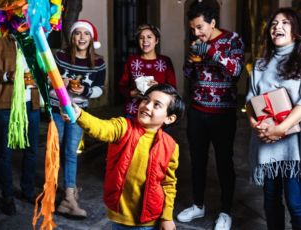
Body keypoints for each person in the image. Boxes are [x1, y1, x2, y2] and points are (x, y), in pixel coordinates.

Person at [63, 84, 184, 230]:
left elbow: (168, 184)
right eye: (146, 100)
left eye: (156, 105)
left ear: (169, 118)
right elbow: (101, 127)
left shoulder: (171, 146)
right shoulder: (123, 127)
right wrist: (80, 115)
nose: (147, 106)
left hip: (150, 219)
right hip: (120, 216)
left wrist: (167, 217)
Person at [176, 2, 244, 230]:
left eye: (199, 27)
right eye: (192, 29)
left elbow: (235, 71)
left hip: (223, 114)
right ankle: (198, 205)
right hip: (197, 111)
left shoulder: (233, 40)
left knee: (224, 162)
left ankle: (225, 212)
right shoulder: (197, 43)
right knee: (197, 161)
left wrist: (211, 51)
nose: (196, 33)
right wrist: (191, 61)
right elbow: (187, 73)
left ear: (213, 22)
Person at [246, 8, 301, 230]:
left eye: (285, 23)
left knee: (296, 203)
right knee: (270, 201)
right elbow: (250, 102)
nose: (277, 27)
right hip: (266, 145)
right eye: (274, 24)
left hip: (293, 149)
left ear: (296, 32)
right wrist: (256, 126)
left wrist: (281, 129)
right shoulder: (259, 66)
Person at [49, 19, 106, 219]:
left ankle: (69, 196)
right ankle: (51, 193)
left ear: (92, 39)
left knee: (71, 152)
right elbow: (46, 78)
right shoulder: (60, 56)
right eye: (77, 33)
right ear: (72, 37)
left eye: (86, 34)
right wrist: (57, 82)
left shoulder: (98, 62)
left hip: (78, 113)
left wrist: (84, 90)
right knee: (55, 153)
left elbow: (100, 89)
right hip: (56, 110)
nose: (81, 37)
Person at [0, 34, 40, 215]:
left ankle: (28, 190)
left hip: (30, 103)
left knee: (31, 150)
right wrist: (7, 75)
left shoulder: (34, 41)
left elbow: (44, 69)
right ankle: (7, 195)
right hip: (5, 104)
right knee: (5, 152)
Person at [119, 24, 176, 117]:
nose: (145, 40)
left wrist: (158, 87)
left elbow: (173, 89)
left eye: (149, 37)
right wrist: (132, 93)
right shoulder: (132, 61)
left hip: (156, 113)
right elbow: (122, 85)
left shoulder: (165, 61)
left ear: (156, 40)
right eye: (141, 38)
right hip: (133, 111)